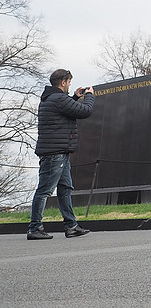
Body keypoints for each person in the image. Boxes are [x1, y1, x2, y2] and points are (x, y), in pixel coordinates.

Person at [27, 69, 95, 240]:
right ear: (63, 82)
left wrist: (73, 97)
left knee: (65, 188)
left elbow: (66, 111)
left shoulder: (52, 98)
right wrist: (89, 96)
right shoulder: (58, 99)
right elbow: (85, 111)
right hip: (54, 153)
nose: (70, 85)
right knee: (45, 190)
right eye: (69, 82)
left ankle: (71, 226)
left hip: (59, 152)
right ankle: (34, 227)